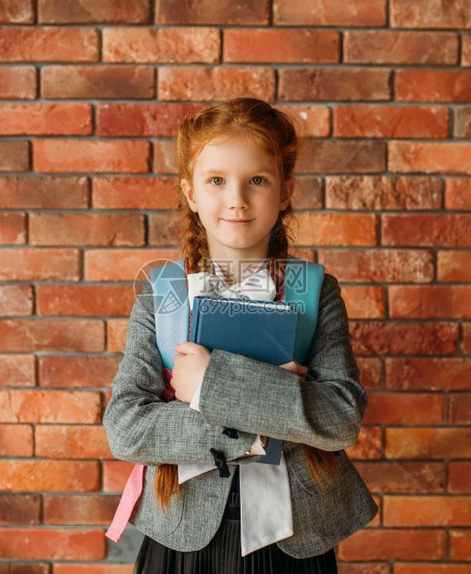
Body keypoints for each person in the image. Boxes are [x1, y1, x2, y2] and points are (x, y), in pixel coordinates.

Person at [102, 97, 379, 573]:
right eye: (216, 180)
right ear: (190, 194)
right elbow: (126, 428)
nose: (237, 198)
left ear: (285, 191)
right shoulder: (162, 293)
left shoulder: (315, 291)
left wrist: (211, 385)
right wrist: (267, 414)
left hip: (294, 540)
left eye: (257, 179)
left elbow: (341, 419)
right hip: (181, 537)